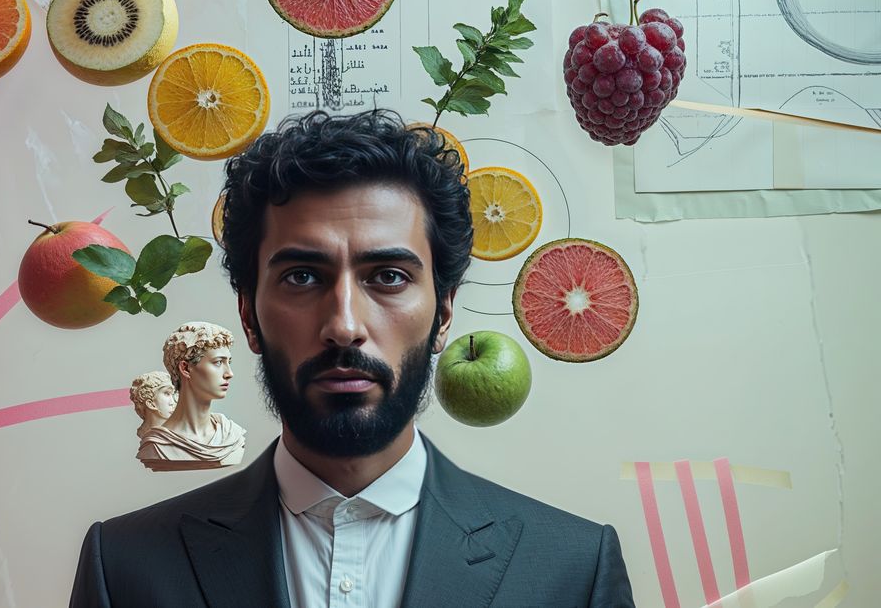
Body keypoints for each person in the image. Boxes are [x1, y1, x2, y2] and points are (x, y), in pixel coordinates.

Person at [70, 110, 634, 607]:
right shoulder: (125, 569)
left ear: (443, 313)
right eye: (301, 277)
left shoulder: (574, 572)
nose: (343, 325)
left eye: (388, 277)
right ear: (248, 316)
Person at [135, 322, 246, 471]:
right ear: (186, 368)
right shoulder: (157, 446)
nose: (229, 373)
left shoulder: (231, 435)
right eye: (218, 362)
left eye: (228, 362)